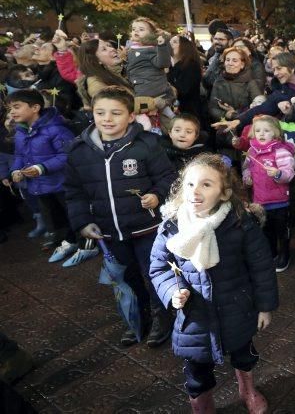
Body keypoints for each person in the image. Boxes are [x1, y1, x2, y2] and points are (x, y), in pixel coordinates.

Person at [149, 153, 278, 414]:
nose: (195, 191)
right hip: (194, 317)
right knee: (197, 371)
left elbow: (262, 267)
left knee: (244, 354)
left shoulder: (241, 223)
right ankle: (202, 407)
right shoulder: (172, 227)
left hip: (237, 309)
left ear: (224, 193)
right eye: (190, 184)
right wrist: (173, 291)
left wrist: (265, 306)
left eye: (206, 184)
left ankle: (247, 390)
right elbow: (159, 268)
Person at [64, 86, 177, 347]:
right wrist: (82, 222)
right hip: (108, 230)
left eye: (116, 113)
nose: (107, 118)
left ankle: (163, 317)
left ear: (130, 116)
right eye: (100, 112)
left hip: (147, 227)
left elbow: (168, 177)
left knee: (154, 274)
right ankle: (138, 317)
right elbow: (74, 191)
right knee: (125, 278)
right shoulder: (79, 150)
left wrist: (157, 195)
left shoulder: (147, 144)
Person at [6, 89, 86, 265]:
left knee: (73, 215)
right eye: (10, 108)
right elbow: (19, 155)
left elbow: (68, 155)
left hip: (62, 183)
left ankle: (85, 245)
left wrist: (42, 168)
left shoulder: (56, 129)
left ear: (35, 107)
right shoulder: (21, 131)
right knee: (54, 215)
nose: (11, 112)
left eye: (17, 107)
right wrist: (15, 170)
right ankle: (67, 241)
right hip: (40, 185)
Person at [241, 116, 295, 272]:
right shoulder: (251, 151)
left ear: (275, 133)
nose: (261, 134)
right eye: (258, 131)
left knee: (281, 230)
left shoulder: (281, 151)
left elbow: (289, 173)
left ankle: (285, 253)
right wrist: (247, 178)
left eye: (266, 130)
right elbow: (246, 168)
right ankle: (271, 253)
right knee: (266, 230)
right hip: (260, 201)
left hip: (279, 201)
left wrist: (278, 173)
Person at [125, 18, 175, 115]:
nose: (136, 31)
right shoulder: (133, 48)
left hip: (149, 89)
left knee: (137, 109)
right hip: (140, 87)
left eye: (141, 29)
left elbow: (163, 63)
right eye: (134, 29)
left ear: (151, 34)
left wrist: (162, 45)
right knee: (156, 112)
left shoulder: (151, 49)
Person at [167, 35, 203, 117]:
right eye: (170, 41)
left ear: (184, 47)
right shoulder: (172, 66)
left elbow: (183, 90)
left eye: (175, 42)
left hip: (188, 112)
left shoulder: (191, 65)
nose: (170, 44)